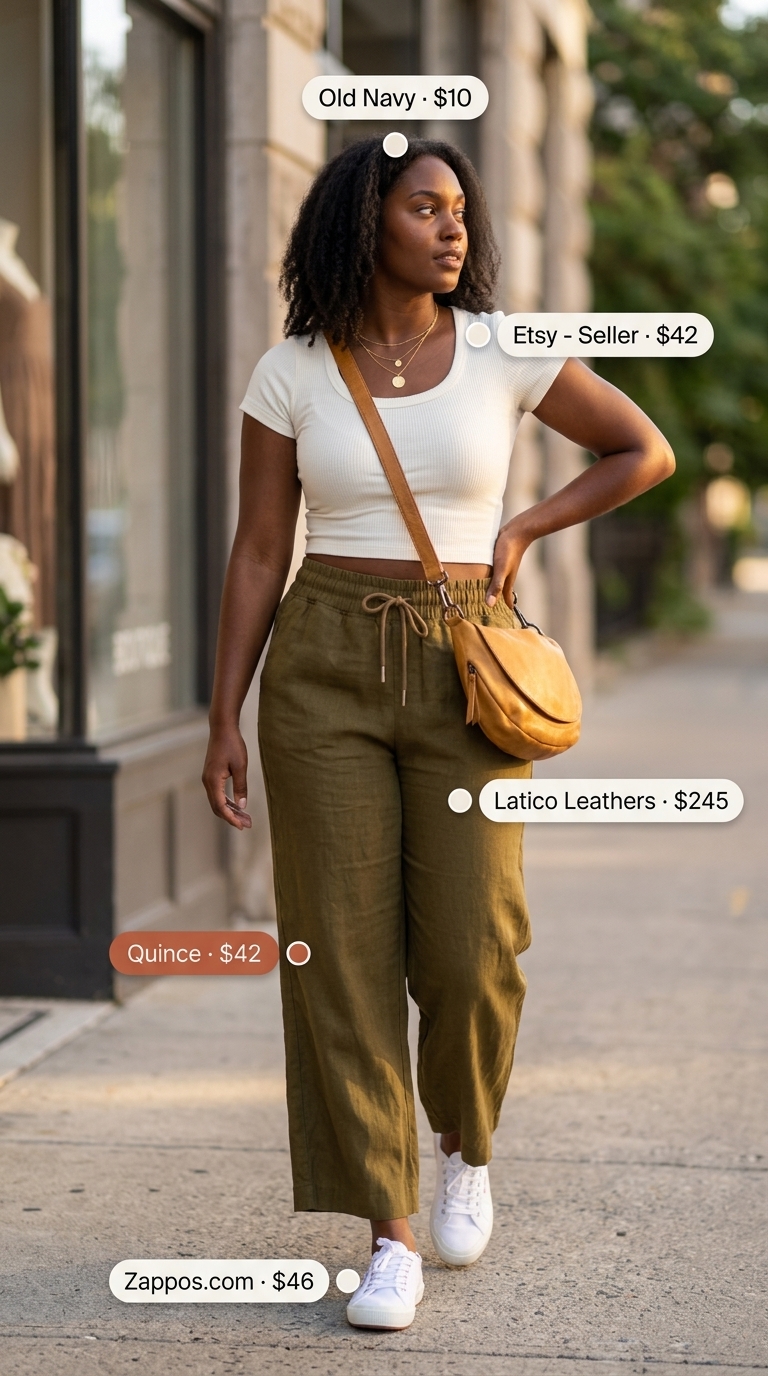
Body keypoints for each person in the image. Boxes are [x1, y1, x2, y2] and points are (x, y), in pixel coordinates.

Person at [202, 137, 674, 1331]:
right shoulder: (292, 371)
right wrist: (222, 714)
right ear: (368, 222)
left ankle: (465, 1143)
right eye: (426, 207)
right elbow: (259, 550)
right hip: (321, 667)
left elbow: (643, 449)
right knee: (338, 954)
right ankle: (389, 1229)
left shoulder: (506, 348)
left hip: (466, 663)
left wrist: (522, 528)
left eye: (460, 208)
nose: (454, 227)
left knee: (474, 946)